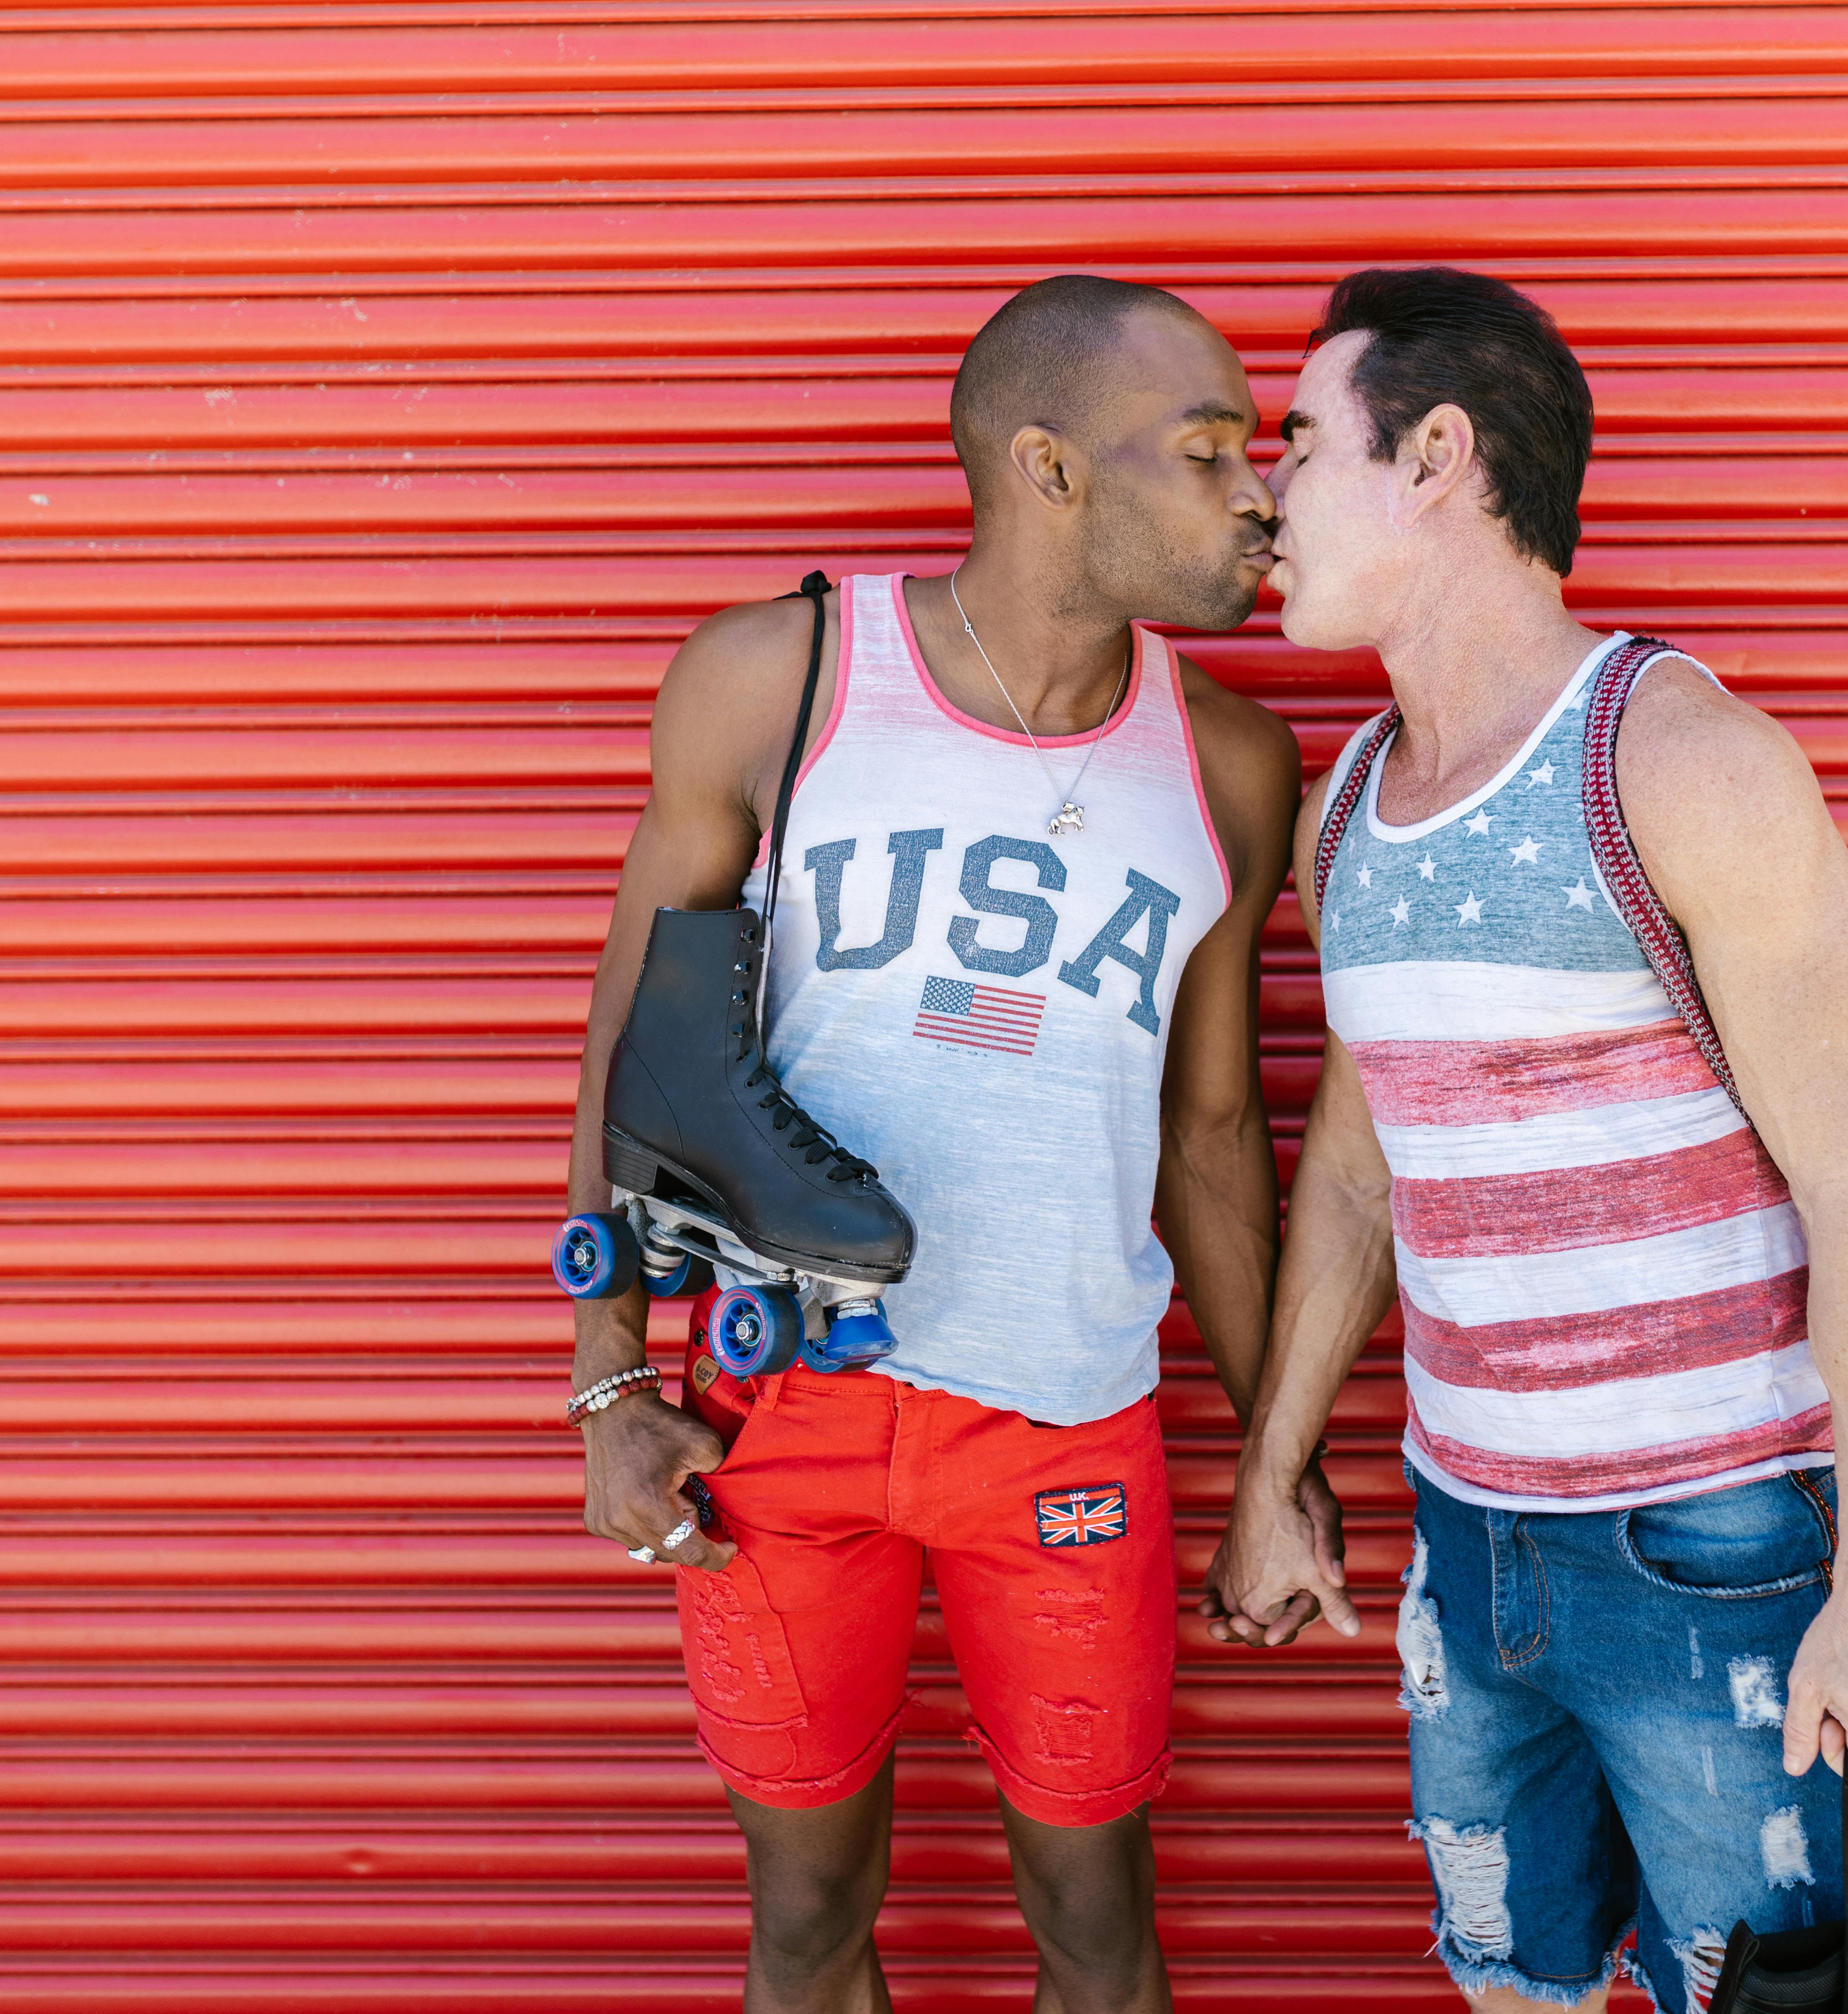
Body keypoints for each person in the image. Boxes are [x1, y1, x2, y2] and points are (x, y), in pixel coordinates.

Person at [565, 275, 1326, 2014]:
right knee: (807, 1926)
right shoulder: (784, 677)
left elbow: (1212, 1132)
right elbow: (629, 1045)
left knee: (1098, 1936)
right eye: (1206, 454)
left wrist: (1277, 1456)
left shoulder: (1230, 765)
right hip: (781, 1413)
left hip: (1063, 1419)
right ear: (1049, 468)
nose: (1258, 496)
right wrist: (609, 1386)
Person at [1209, 267, 1848, 2014]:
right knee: (1509, 1985)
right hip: (1470, 1545)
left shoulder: (1685, 757)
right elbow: (1362, 1168)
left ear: (1438, 457)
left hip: (1719, 1549)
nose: (1261, 499)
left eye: (1299, 445)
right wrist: (1273, 1471)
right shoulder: (1353, 803)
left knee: (1762, 1999)